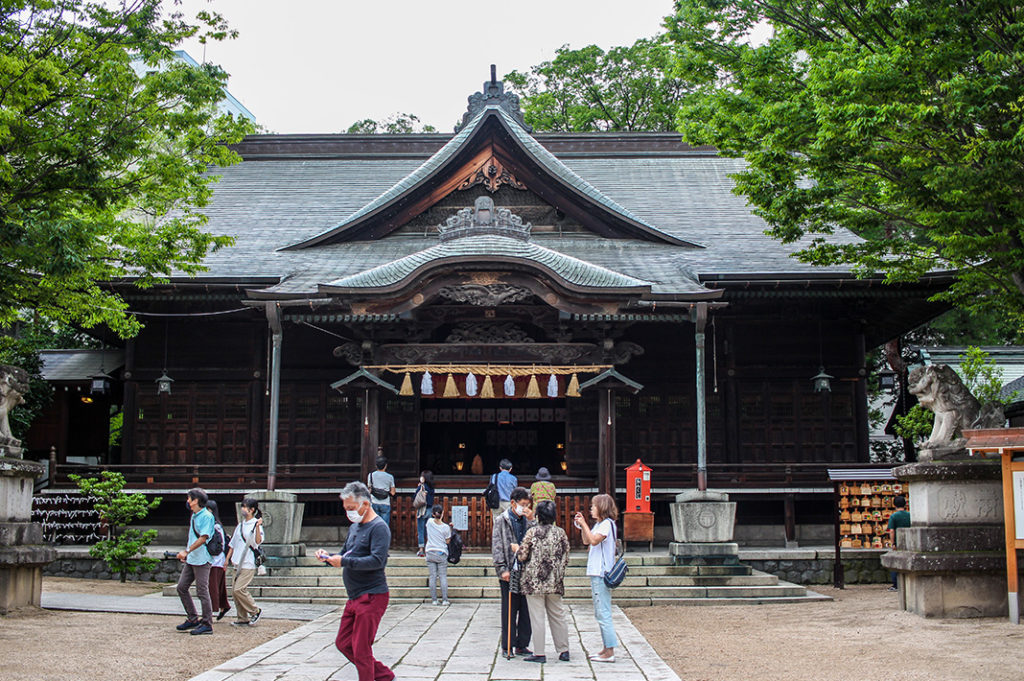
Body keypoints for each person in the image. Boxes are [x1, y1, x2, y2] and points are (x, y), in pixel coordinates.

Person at [314, 482, 393, 681]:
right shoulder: (355, 527)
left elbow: (377, 560)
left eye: (351, 508)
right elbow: (344, 554)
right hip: (354, 596)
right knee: (343, 643)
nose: (349, 513)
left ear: (365, 504)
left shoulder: (379, 528)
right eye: (346, 509)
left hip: (372, 595)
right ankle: (384, 676)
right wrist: (328, 557)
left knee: (361, 649)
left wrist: (344, 561)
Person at [516, 500, 570, 663]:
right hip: (554, 580)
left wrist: (516, 550)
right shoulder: (560, 533)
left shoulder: (532, 533)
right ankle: (564, 650)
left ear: (538, 515)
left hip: (534, 581)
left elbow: (522, 555)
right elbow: (566, 555)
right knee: (558, 615)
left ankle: (539, 653)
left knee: (537, 617)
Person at [574, 493, 618, 662]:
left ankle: (610, 651)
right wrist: (582, 525)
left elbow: (594, 541)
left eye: (594, 506)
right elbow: (587, 540)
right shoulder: (600, 524)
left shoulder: (607, 524)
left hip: (602, 572)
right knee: (600, 611)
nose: (591, 508)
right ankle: (606, 648)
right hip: (596, 571)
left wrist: (584, 523)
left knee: (603, 612)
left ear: (601, 508)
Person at [492, 486, 534, 658]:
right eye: (522, 504)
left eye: (527, 505)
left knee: (526, 609)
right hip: (510, 567)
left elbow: (536, 539)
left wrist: (531, 520)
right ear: (513, 503)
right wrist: (502, 568)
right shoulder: (502, 520)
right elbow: (497, 545)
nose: (525, 508)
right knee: (509, 608)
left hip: (527, 569)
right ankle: (507, 644)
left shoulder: (529, 519)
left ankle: (522, 644)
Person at [175, 487, 215, 635]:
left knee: (202, 591)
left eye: (189, 498)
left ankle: (207, 623)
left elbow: (203, 538)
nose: (188, 501)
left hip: (202, 558)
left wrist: (187, 551)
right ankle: (192, 618)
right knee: (181, 587)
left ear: (196, 500)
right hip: (192, 558)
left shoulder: (206, 516)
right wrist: (188, 553)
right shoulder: (194, 515)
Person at [225, 496, 263, 626]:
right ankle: (242, 618)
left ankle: (255, 610)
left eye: (245, 507)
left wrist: (258, 527)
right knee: (235, 592)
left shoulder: (255, 524)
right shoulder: (240, 525)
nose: (243, 509)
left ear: (252, 510)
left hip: (248, 562)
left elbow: (258, 542)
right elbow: (233, 544)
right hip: (237, 562)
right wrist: (227, 559)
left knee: (239, 589)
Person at [205, 499, 231, 621]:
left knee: (212, 586)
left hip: (214, 559)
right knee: (219, 585)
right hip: (219, 559)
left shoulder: (214, 525)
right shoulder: (218, 525)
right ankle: (223, 606)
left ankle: (211, 611)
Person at [424, 503, 452, 605]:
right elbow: (448, 541)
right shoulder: (446, 527)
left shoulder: (429, 522)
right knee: (442, 576)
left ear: (433, 514)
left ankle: (434, 600)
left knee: (433, 576)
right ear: (442, 514)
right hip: (441, 552)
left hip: (430, 551)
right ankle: (445, 599)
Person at [887, 495, 911, 591]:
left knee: (895, 562)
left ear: (894, 505)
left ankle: (896, 584)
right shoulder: (910, 515)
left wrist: (893, 543)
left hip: (898, 542)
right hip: (909, 541)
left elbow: (891, 530)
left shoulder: (894, 516)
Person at [367, 455, 396, 526]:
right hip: (385, 503)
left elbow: (369, 489)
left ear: (376, 465)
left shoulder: (370, 475)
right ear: (385, 465)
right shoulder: (390, 477)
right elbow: (393, 492)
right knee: (384, 525)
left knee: (374, 524)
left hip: (374, 501)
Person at [414, 470, 434, 557]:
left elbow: (415, 497)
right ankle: (429, 548)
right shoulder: (432, 488)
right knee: (429, 529)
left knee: (421, 529)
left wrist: (419, 487)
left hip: (422, 509)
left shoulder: (422, 487)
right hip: (429, 509)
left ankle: (421, 549)